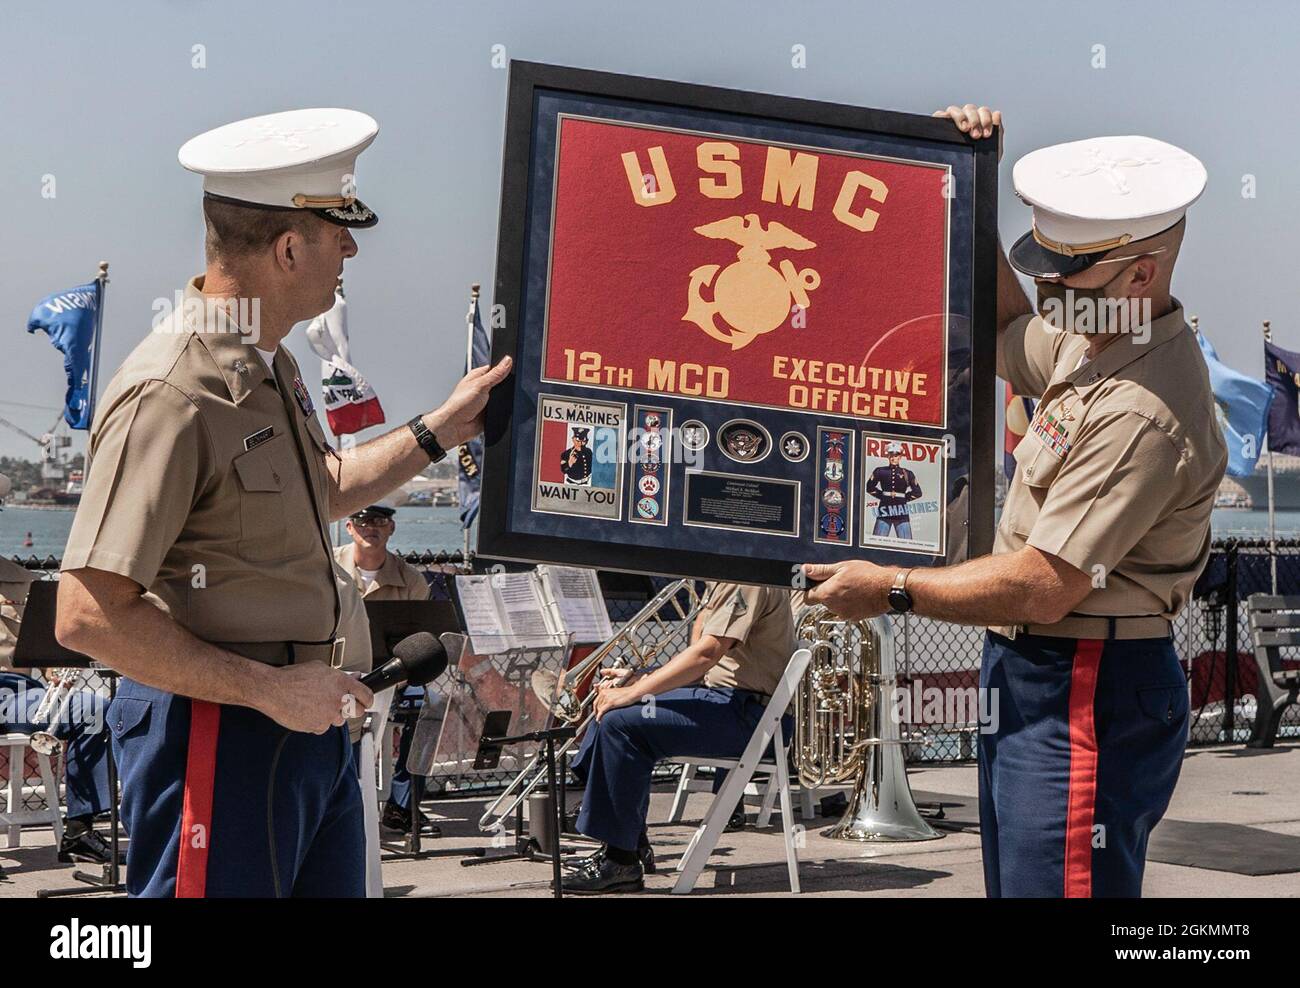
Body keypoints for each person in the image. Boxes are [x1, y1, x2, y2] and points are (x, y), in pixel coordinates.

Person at [54, 108, 511, 898]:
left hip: (307, 727)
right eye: (339, 232)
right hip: (223, 734)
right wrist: (270, 691)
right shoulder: (174, 389)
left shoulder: (269, 367)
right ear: (289, 247)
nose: (352, 250)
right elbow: (86, 614)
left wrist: (439, 430)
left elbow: (324, 491)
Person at [803, 106, 1225, 898]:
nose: (1047, 285)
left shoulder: (1141, 405)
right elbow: (1007, 328)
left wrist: (890, 589)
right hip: (1039, 668)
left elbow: (1044, 582)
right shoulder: (1099, 331)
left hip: (1084, 674)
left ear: (1140, 274)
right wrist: (974, 174)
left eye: (1067, 273)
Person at [559, 581, 795, 894]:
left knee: (621, 725)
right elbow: (709, 665)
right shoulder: (735, 574)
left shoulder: (744, 578)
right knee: (614, 717)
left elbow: (706, 654)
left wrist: (633, 693)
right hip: (734, 704)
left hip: (749, 715)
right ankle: (628, 841)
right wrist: (638, 680)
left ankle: (620, 860)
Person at [333, 504, 437, 834]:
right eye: (362, 521)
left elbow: (418, 639)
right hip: (337, 670)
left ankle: (403, 806)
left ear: (391, 528)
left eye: (379, 521)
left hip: (393, 675)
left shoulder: (411, 579)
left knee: (431, 710)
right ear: (349, 527)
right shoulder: (327, 565)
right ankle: (339, 798)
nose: (370, 528)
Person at [866, 441, 923, 539]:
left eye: (896, 455)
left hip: (901, 511)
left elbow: (918, 492)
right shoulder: (880, 471)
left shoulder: (907, 473)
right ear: (888, 456)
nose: (893, 458)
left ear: (900, 457)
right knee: (877, 541)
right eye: (891, 455)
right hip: (884, 511)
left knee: (907, 544)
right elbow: (869, 487)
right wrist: (883, 496)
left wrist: (904, 498)